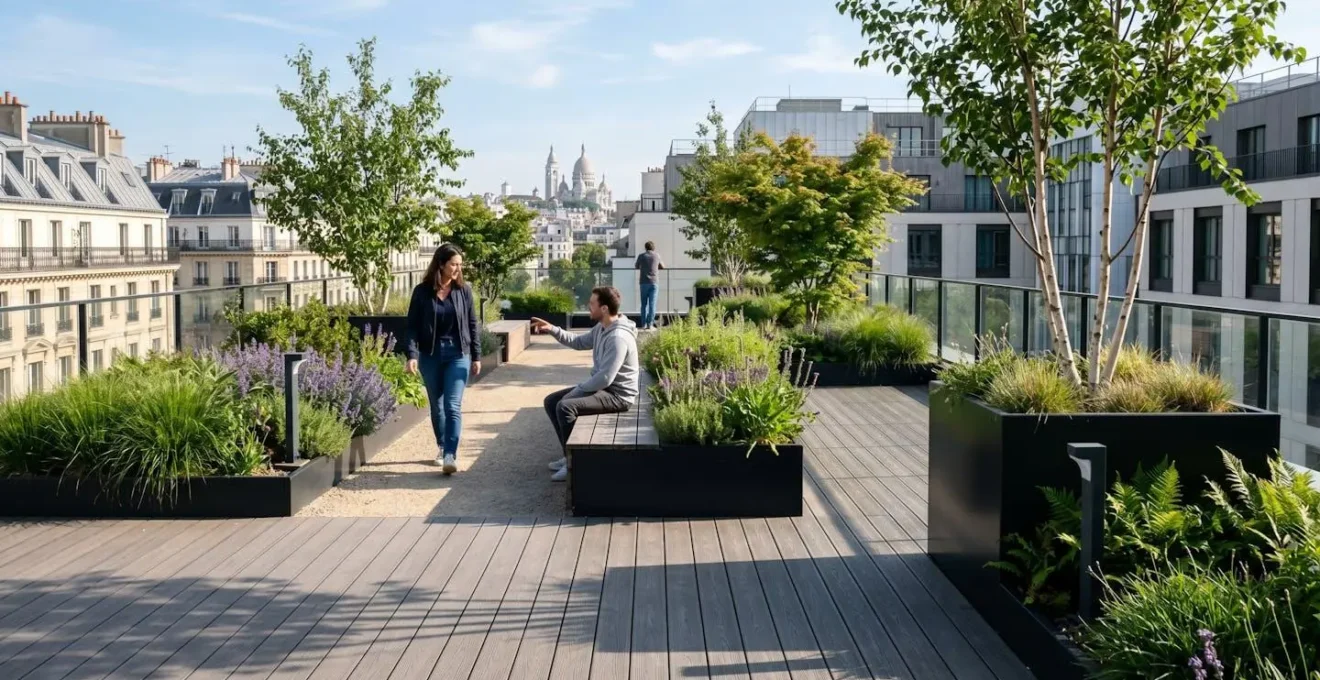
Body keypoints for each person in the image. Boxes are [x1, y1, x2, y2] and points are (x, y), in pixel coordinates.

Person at [533, 286, 639, 482]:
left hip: (618, 395)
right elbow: (579, 342)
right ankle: (568, 455)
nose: (588, 306)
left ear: (604, 308)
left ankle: (574, 464)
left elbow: (605, 378)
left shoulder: (618, 338)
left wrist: (577, 391)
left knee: (565, 406)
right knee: (552, 401)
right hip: (605, 388)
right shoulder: (602, 328)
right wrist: (553, 329)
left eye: (592, 303)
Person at [405, 244, 481, 475]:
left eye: (460, 264)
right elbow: (411, 326)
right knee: (437, 407)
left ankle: (450, 454)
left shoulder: (464, 290)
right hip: (430, 355)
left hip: (458, 355)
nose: (458, 268)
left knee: (452, 405)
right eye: (453, 264)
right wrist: (412, 355)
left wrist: (476, 355)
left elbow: (472, 324)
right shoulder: (422, 292)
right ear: (441, 264)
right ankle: (441, 445)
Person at [634, 241, 665, 330]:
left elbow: (636, 266)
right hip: (654, 282)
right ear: (653, 248)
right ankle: (649, 324)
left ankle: (643, 324)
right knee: (652, 304)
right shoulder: (657, 256)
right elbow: (663, 266)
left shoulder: (641, 256)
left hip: (643, 282)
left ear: (645, 247)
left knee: (643, 304)